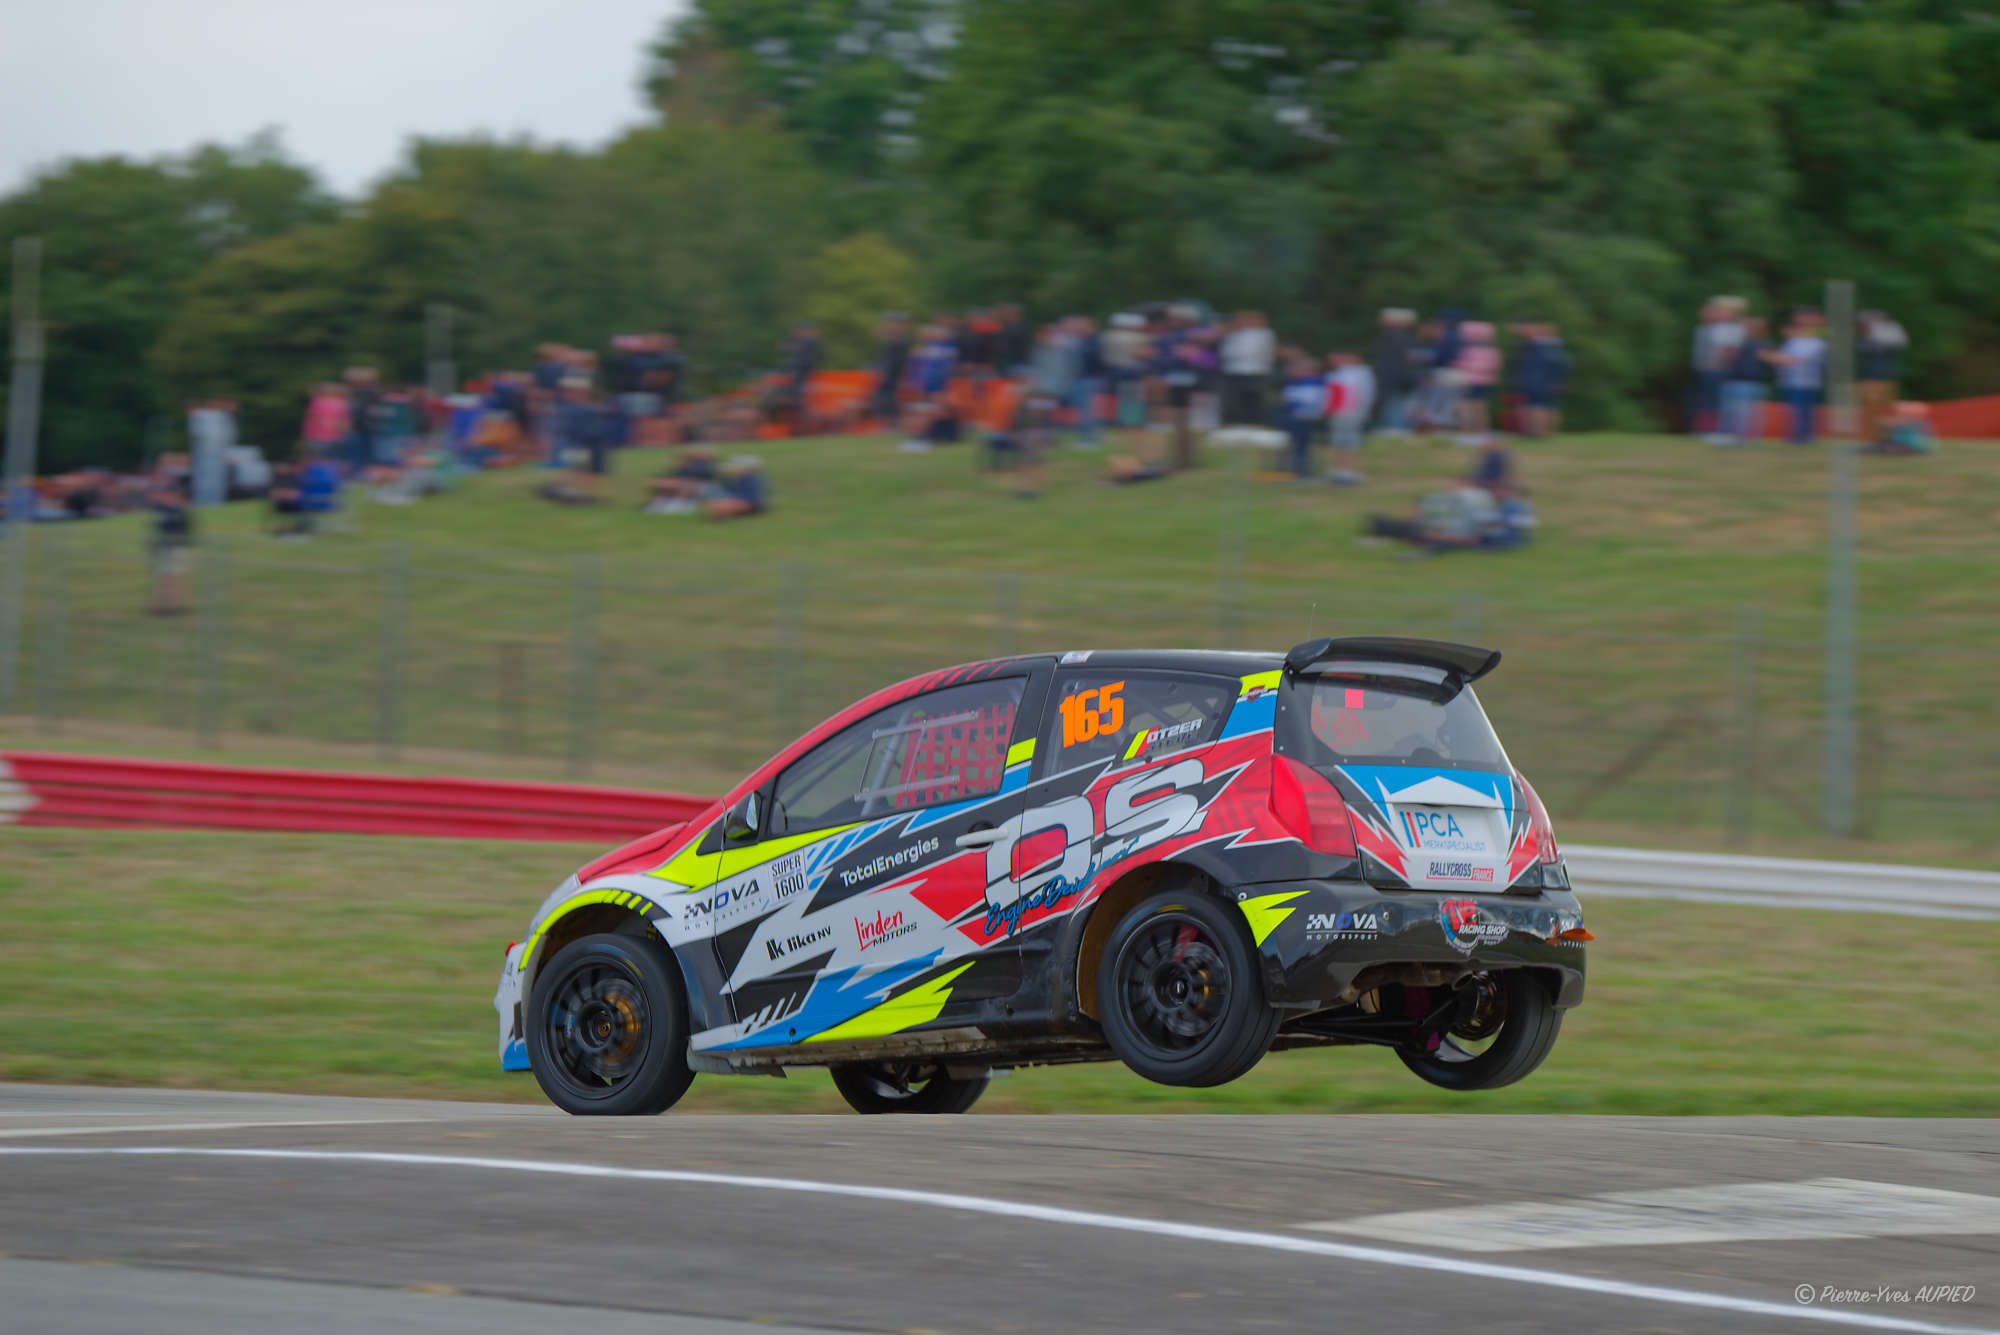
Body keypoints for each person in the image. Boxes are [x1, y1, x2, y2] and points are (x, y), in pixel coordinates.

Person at [1717, 316, 1772, 445]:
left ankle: (1742, 438)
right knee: (1733, 413)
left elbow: (1768, 358)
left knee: (1745, 415)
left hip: (1750, 382)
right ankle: (1732, 437)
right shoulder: (1740, 344)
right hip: (1735, 381)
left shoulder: (1761, 344)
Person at [1773, 314, 1827, 445]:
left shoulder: (1817, 343)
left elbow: (1794, 359)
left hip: (1806, 382)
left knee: (1803, 411)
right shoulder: (1793, 341)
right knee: (1792, 410)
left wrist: (1769, 356)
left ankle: (1803, 437)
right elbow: (1782, 358)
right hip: (1789, 381)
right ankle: (1793, 435)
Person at [1512, 322, 1570, 439]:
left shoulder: (1538, 346)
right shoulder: (1557, 347)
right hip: (1552, 381)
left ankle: (1536, 432)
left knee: (1537, 406)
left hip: (1536, 381)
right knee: (1551, 406)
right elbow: (1564, 365)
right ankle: (1550, 432)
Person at [1856, 312, 1909, 441]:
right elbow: (1873, 348)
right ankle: (1870, 436)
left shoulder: (1885, 341)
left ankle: (1885, 436)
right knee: (1871, 410)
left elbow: (1901, 342)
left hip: (1888, 379)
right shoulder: (1864, 341)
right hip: (1871, 380)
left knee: (1886, 409)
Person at [1219, 310, 1276, 426]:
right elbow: (1224, 352)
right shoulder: (1233, 334)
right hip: (1233, 372)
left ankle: (1254, 423)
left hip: (1255, 372)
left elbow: (1250, 353)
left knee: (1253, 401)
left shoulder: (1265, 334)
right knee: (1234, 401)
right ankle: (1235, 423)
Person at [1326, 352, 1376, 483]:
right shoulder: (1337, 374)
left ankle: (1352, 469)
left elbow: (1365, 394)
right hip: (1341, 412)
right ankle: (1342, 468)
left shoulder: (1359, 373)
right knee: (1340, 441)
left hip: (1351, 412)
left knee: (1350, 441)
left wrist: (1364, 410)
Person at [148, 474, 194, 613]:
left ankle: (173, 606)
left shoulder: (179, 512)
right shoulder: (162, 510)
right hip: (162, 548)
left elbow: (187, 532)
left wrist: (180, 543)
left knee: (172, 579)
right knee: (162, 578)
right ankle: (162, 605)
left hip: (174, 548)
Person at [1278, 355, 1325, 480]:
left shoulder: (1316, 384)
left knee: (1302, 447)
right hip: (1297, 417)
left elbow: (1304, 402)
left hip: (1307, 418)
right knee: (1296, 446)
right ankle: (1296, 470)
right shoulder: (1294, 383)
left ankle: (1302, 472)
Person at [1453, 321, 1501, 445]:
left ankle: (1468, 432)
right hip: (1486, 382)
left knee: (1467, 407)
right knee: (1481, 407)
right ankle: (1481, 432)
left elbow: (1465, 364)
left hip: (1470, 380)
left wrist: (1459, 364)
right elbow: (1496, 365)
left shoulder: (1469, 349)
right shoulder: (1492, 349)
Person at [1371, 309, 1417, 435]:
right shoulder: (1401, 338)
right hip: (1395, 383)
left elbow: (1395, 364)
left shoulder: (1395, 339)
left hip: (1393, 383)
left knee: (1394, 415)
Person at [705, 455, 768, 519]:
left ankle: (730, 514)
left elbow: (752, 498)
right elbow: (732, 489)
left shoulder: (751, 479)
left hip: (750, 503)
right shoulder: (743, 478)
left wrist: (730, 501)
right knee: (713, 504)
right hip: (742, 500)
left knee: (717, 506)